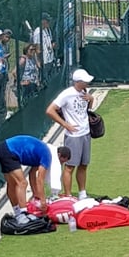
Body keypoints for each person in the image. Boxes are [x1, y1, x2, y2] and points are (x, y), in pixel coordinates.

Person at [0, 135, 71, 225]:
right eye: (62, 161)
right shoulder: (47, 156)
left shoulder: (42, 152)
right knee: (22, 183)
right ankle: (23, 213)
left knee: (12, 184)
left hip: (4, 148)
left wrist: (36, 195)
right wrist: (43, 201)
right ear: (58, 155)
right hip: (9, 151)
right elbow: (40, 179)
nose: (61, 164)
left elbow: (32, 175)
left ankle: (17, 213)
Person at [45, 68, 96, 199]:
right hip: (74, 136)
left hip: (85, 133)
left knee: (84, 164)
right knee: (70, 166)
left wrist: (91, 99)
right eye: (85, 81)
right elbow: (50, 110)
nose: (87, 84)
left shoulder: (85, 92)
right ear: (78, 82)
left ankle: (82, 193)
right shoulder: (66, 94)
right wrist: (65, 124)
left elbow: (86, 109)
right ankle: (68, 195)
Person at [31, 13, 55, 79]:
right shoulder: (38, 32)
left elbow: (50, 42)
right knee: (44, 79)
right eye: (47, 21)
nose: (49, 22)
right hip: (43, 61)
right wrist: (38, 62)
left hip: (50, 59)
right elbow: (37, 49)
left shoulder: (48, 30)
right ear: (42, 21)